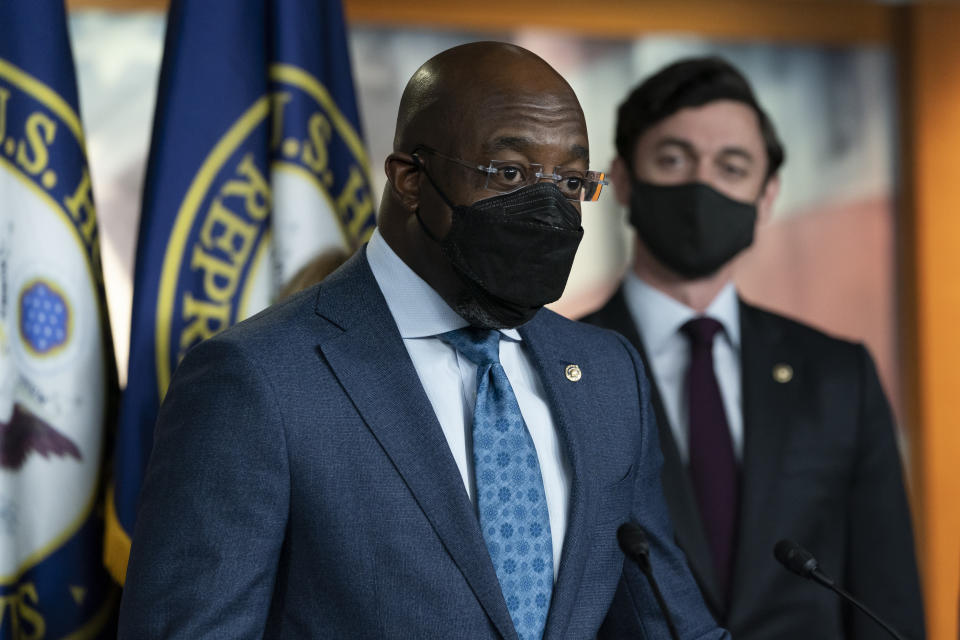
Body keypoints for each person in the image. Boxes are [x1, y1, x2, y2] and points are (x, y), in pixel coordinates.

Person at [117, 42, 728, 639]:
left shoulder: (607, 374)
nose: (548, 207)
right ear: (411, 178)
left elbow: (668, 622)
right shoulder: (258, 378)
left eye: (570, 182)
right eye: (510, 172)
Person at [582, 56, 925, 639]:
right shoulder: (561, 368)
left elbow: (886, 600)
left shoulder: (840, 376)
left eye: (732, 166)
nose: (701, 184)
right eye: (673, 159)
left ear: (767, 196)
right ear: (624, 179)